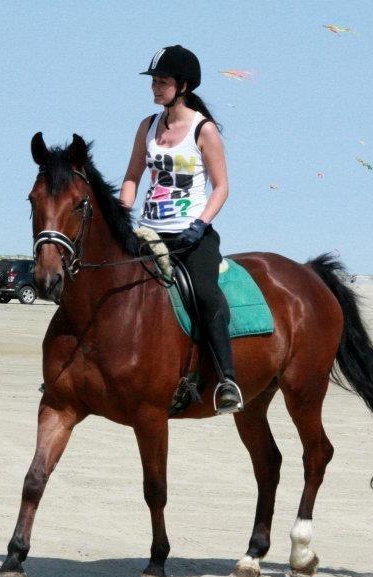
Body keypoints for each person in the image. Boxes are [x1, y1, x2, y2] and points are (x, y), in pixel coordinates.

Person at [119, 44, 243, 415]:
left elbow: (222, 187)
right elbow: (131, 178)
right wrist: (121, 217)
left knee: (205, 295)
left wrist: (201, 224)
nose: (155, 87)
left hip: (191, 237)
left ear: (183, 85)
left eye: (162, 81)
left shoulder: (203, 130)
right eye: (154, 81)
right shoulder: (147, 126)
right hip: (147, 232)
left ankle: (227, 379)